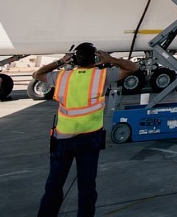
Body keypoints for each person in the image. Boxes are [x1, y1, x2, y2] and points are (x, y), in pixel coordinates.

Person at [33, 43, 139, 217]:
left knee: (54, 185)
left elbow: (37, 74)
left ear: (74, 59)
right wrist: (111, 59)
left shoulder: (62, 77)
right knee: (87, 187)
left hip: (63, 138)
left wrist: (60, 61)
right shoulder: (102, 76)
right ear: (95, 59)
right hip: (90, 139)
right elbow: (133, 67)